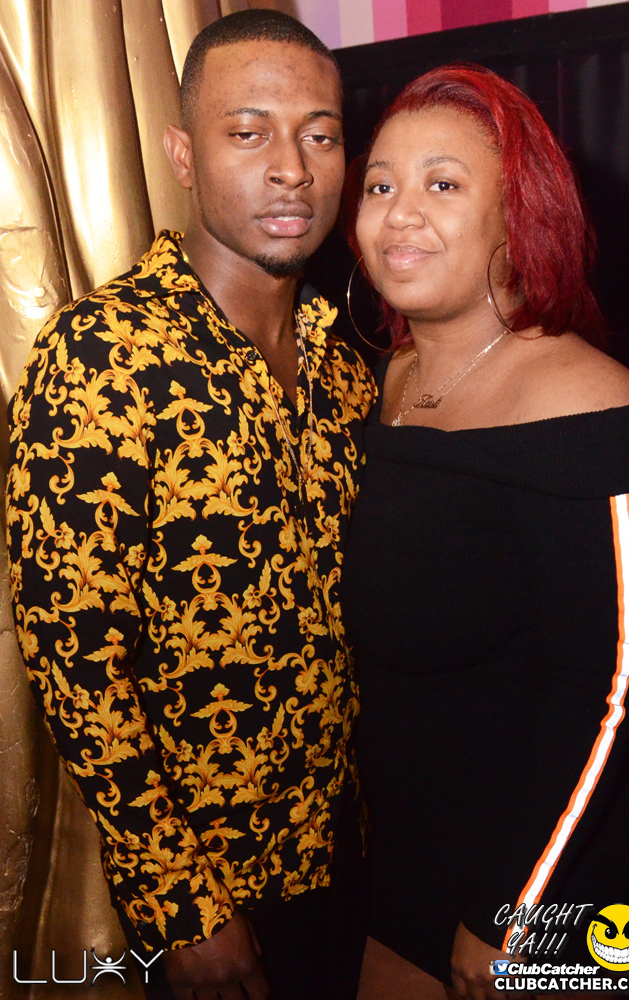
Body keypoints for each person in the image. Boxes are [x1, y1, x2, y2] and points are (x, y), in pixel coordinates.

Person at [5, 11, 376, 1000]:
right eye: (248, 133)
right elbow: (73, 652)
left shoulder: (345, 364)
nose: (291, 168)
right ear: (182, 155)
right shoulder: (103, 354)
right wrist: (182, 902)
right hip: (217, 893)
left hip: (358, 852)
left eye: (320, 134)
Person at [340, 64, 629, 1000]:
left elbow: (610, 693)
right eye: (380, 186)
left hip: (540, 863)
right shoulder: (394, 381)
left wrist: (514, 907)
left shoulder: (589, 403)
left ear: (520, 218)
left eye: (443, 184)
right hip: (409, 840)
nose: (399, 214)